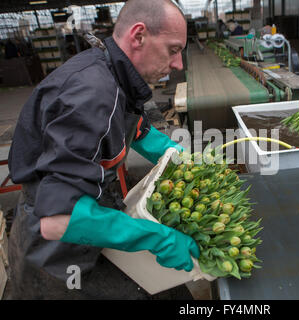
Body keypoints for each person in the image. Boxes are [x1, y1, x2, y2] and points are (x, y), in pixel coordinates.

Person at [7, 0, 199, 299]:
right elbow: (59, 219)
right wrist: (157, 237)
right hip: (55, 255)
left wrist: (180, 156)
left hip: (83, 218)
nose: (178, 65)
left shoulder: (112, 72)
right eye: (173, 50)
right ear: (138, 36)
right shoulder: (91, 95)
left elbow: (133, 128)